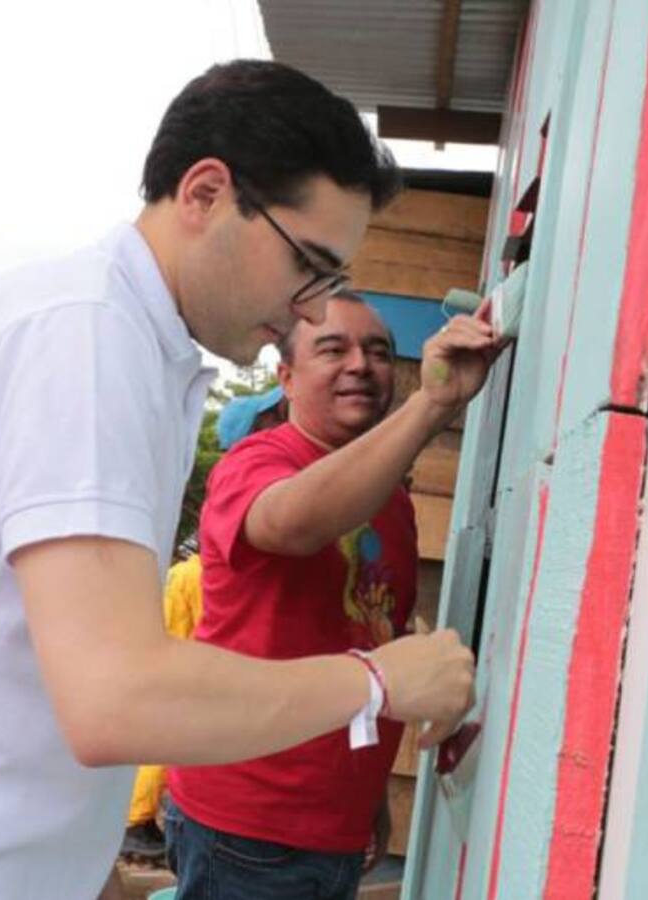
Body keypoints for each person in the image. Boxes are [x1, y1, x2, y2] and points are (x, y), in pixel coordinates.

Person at [0, 60, 482, 900]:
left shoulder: (130, 342)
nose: (313, 310)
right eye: (308, 265)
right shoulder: (87, 334)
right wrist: (380, 681)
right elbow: (115, 698)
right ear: (205, 193)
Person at [164, 293, 500, 898]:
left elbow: (369, 636)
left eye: (377, 351)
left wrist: (367, 796)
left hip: (334, 826)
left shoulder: (391, 500)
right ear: (285, 377)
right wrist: (433, 403)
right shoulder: (257, 461)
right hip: (246, 826)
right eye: (333, 348)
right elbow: (293, 524)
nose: (361, 364)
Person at [121, 386, 287, 861]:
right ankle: (134, 821)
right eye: (274, 413)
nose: (282, 416)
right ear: (256, 429)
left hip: (188, 580)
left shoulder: (244, 473)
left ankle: (138, 816)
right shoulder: (251, 472)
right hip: (192, 583)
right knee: (170, 712)